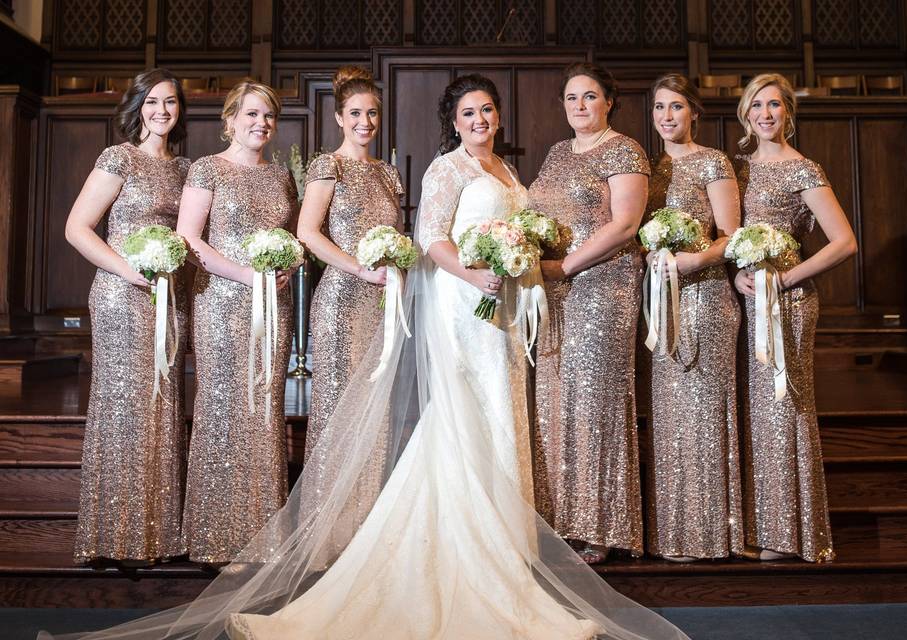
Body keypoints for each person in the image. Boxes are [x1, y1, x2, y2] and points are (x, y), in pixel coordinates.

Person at [42, 77, 687, 640]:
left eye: (487, 111)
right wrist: (464, 273)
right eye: (467, 113)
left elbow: (473, 235)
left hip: (489, 308)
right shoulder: (430, 169)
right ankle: (312, 536)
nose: (480, 121)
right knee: (445, 408)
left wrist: (515, 260)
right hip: (446, 300)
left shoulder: (500, 174)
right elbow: (426, 239)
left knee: (493, 407)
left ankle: (500, 538)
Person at [65, 68, 190, 565]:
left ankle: (154, 534)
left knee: (162, 401)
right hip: (122, 295)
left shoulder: (184, 170)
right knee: (124, 405)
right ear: (138, 106)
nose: (163, 111)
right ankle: (113, 535)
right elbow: (77, 228)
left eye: (171, 103)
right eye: (154, 101)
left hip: (168, 295)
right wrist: (129, 270)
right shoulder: (118, 159)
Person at [527, 62, 649, 564]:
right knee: (556, 399)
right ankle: (559, 519)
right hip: (554, 289)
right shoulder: (557, 153)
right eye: (572, 98)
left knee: (596, 401)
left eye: (590, 96)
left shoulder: (624, 150)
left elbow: (625, 224)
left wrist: (565, 266)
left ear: (609, 102)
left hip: (603, 287)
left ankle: (601, 525)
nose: (580, 106)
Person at [734, 73, 857, 563]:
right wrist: (736, 276)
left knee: (783, 408)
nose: (765, 114)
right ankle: (760, 525)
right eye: (756, 106)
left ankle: (788, 535)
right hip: (745, 302)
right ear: (746, 114)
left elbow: (844, 242)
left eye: (774, 106)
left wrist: (785, 279)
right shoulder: (738, 170)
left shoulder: (804, 169)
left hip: (789, 303)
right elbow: (727, 237)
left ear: (789, 113)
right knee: (755, 412)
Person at [176, 81, 298, 564]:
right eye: (251, 114)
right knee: (224, 404)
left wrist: (290, 264)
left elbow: (291, 239)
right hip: (221, 303)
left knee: (265, 404)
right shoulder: (208, 169)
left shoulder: (283, 177)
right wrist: (247, 276)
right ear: (230, 120)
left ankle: (262, 533)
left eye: (268, 116)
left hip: (274, 305)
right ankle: (212, 534)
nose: (260, 124)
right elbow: (189, 240)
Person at [297, 66, 403, 536]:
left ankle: (369, 525)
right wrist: (359, 268)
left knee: (375, 408)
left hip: (383, 303)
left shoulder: (388, 172)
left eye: (372, 113)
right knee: (340, 408)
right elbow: (307, 232)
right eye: (355, 113)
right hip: (341, 301)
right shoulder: (328, 166)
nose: (365, 121)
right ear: (340, 117)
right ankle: (332, 529)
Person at [642, 73, 743, 562]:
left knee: (703, 415)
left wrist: (693, 261)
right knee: (671, 417)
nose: (667, 116)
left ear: (694, 113)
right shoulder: (647, 168)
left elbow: (731, 236)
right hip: (661, 303)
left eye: (676, 107)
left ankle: (711, 534)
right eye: (660, 107)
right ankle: (675, 532)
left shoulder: (713, 162)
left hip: (705, 299)